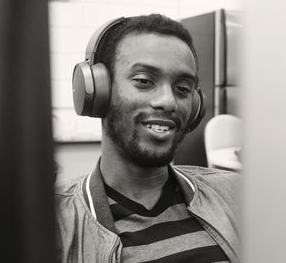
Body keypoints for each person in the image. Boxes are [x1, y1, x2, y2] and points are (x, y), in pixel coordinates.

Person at [55, 14, 241, 263]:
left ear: (196, 105)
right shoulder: (53, 221)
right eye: (144, 81)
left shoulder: (236, 194)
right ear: (99, 92)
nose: (168, 101)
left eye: (183, 89)